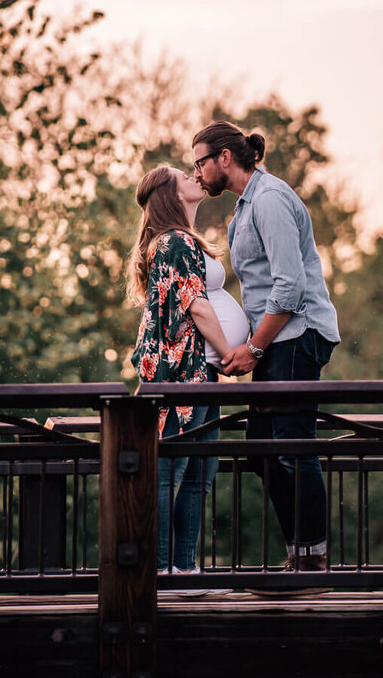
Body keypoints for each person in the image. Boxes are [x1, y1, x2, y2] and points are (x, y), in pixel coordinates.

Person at [192, 120, 341, 587]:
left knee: (293, 443)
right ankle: (300, 551)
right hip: (276, 339)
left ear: (225, 158)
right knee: (263, 451)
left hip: (296, 334)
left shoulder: (271, 199)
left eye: (200, 162)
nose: (196, 173)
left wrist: (254, 347)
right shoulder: (245, 207)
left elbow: (291, 287)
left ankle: (312, 557)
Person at [127, 164, 250, 582]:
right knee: (172, 473)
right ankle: (162, 572)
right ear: (169, 193)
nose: (194, 177)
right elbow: (195, 306)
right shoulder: (174, 241)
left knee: (199, 474)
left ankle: (184, 568)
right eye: (184, 175)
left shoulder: (181, 239)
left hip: (204, 375)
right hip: (184, 375)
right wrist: (233, 354)